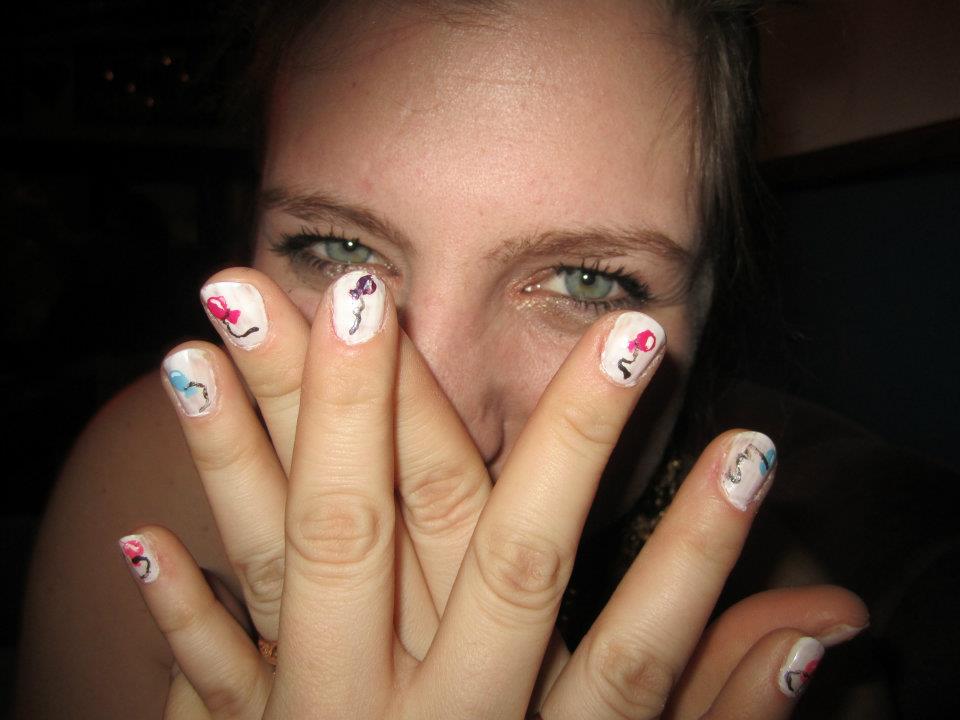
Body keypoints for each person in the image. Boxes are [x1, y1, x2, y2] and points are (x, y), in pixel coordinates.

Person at [20, 0, 941, 717]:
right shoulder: (148, 493)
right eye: (339, 250)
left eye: (586, 280)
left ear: (711, 309)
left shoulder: (783, 637)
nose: (438, 423)